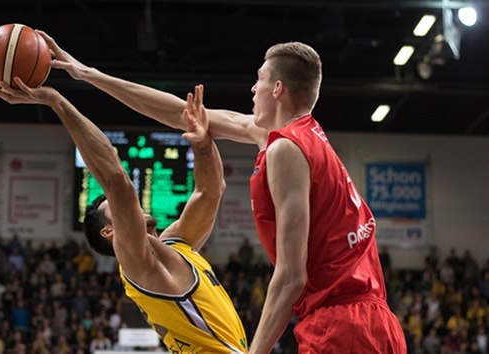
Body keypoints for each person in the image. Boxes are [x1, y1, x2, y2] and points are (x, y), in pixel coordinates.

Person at [35, 30, 406, 353]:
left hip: (342, 323)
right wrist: (87, 76)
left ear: (277, 89)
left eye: (259, 80)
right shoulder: (304, 136)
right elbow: (182, 119)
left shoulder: (283, 149)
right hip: (374, 318)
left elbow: (287, 271)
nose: (252, 88)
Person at [0, 79, 247, 353]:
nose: (131, 205)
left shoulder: (175, 245)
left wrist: (202, 143)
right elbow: (118, 183)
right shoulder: (136, 263)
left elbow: (210, 191)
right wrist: (57, 102)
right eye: (112, 206)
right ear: (109, 231)